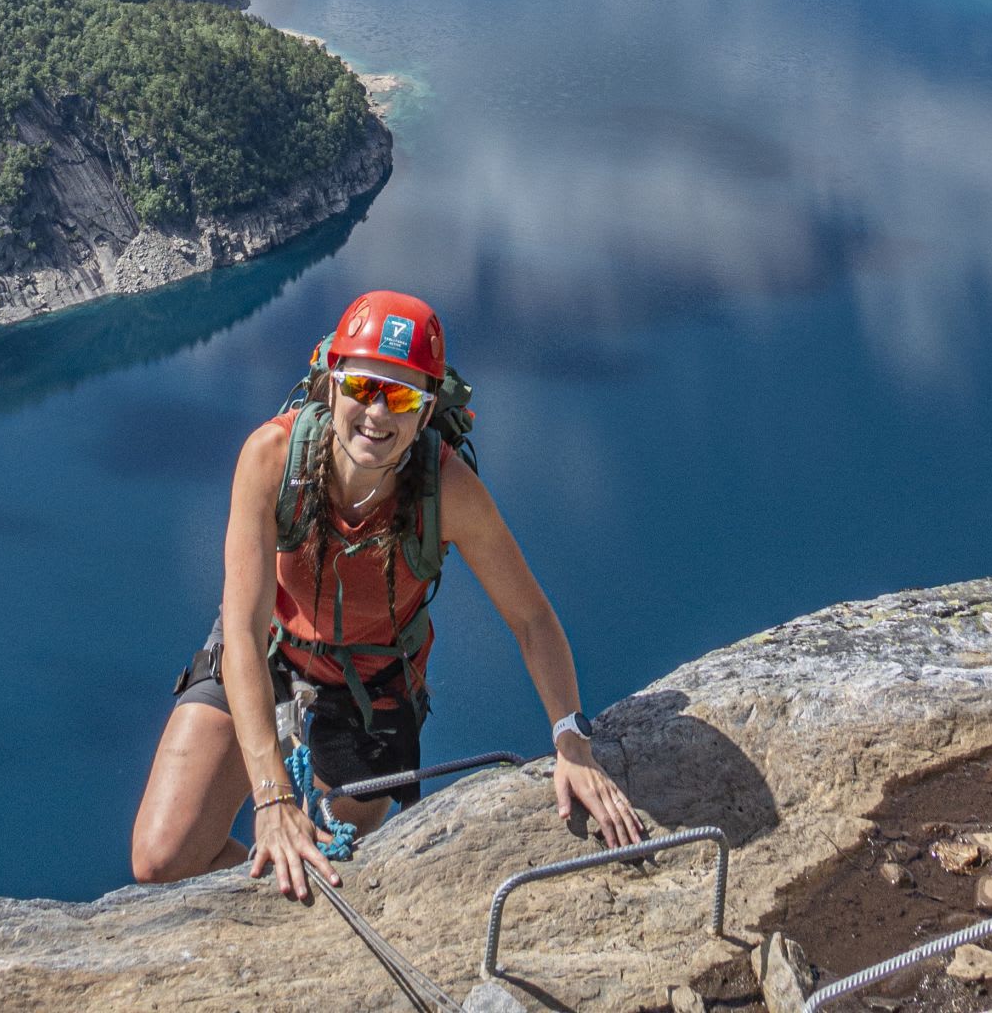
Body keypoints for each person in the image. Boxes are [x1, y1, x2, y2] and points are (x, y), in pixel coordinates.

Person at [130, 287, 644, 899]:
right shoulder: (272, 458)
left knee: (339, 870)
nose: (377, 413)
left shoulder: (448, 490)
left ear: (425, 413)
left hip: (369, 689)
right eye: (363, 388)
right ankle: (261, 883)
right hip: (265, 653)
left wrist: (572, 743)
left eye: (399, 396)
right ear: (333, 383)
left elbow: (531, 619)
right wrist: (271, 799)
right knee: (162, 858)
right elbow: (241, 629)